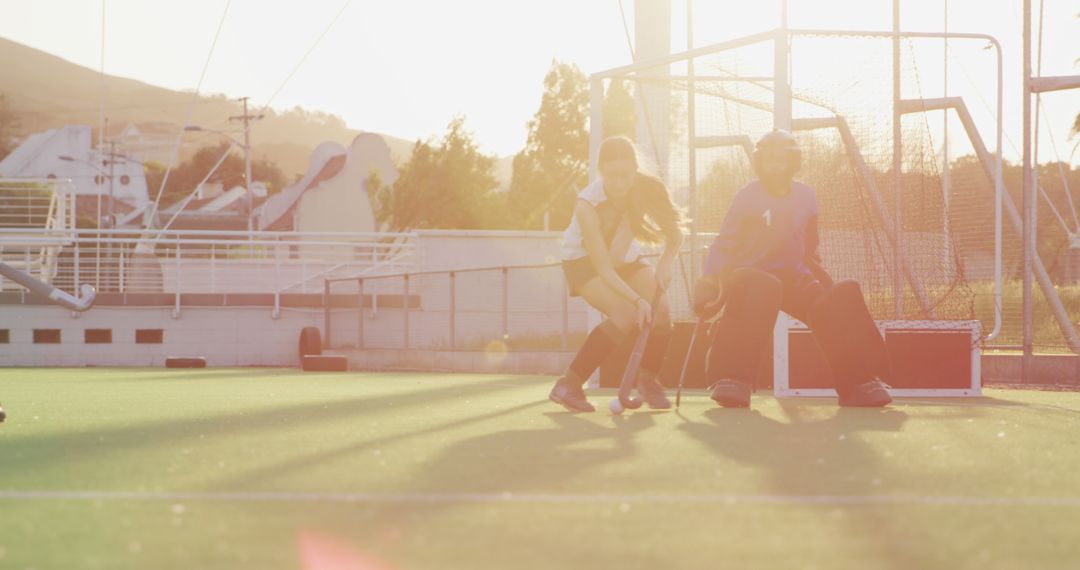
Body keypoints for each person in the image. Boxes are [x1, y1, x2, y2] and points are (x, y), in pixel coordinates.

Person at [693, 129, 893, 408]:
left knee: (836, 302)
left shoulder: (806, 197)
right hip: (754, 278)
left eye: (782, 159)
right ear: (759, 162)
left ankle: (859, 382)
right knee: (756, 292)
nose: (775, 165)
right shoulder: (747, 196)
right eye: (769, 160)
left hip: (794, 276)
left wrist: (813, 263)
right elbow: (725, 242)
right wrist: (710, 279)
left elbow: (810, 242)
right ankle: (733, 380)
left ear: (793, 162)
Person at [549, 136, 685, 412]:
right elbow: (604, 269)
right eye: (612, 176)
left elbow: (675, 232)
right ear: (601, 172)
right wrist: (637, 300)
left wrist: (665, 263)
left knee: (661, 313)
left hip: (625, 259)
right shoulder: (587, 206)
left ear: (635, 169)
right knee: (624, 314)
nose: (619, 183)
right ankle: (569, 384)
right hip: (584, 263)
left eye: (625, 175)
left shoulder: (647, 188)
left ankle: (648, 381)